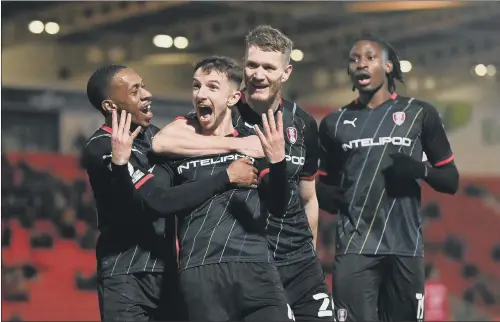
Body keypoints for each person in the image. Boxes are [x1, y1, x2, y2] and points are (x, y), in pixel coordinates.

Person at [153, 26, 333, 322]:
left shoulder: (303, 123)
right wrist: (239, 143)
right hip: (255, 257)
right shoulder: (226, 110)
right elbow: (162, 141)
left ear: (285, 73)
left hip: (299, 260)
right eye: (252, 65)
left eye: (268, 67)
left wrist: (310, 250)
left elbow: (308, 196)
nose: (258, 74)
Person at [82, 64, 258, 321]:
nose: (147, 94)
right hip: (127, 275)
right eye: (135, 91)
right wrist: (227, 176)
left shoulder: (154, 138)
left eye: (143, 85)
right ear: (110, 106)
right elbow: (159, 201)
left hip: (169, 273)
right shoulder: (101, 147)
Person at [317, 34, 459, 321]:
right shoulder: (334, 123)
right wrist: (327, 196)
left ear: (389, 66)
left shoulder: (420, 114)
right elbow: (320, 184)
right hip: (355, 248)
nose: (361, 64)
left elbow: (451, 180)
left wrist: (421, 170)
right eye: (354, 59)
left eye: (370, 57)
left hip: (405, 248)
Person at [162, 55, 293, 321]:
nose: (200, 94)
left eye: (212, 87)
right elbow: (159, 144)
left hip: (256, 267)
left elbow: (279, 205)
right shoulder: (181, 142)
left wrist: (278, 162)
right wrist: (231, 163)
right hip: (201, 270)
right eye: (196, 86)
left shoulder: (255, 143)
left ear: (233, 98)